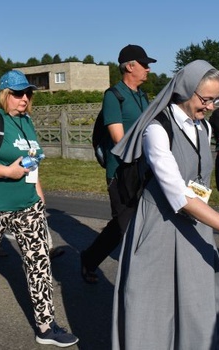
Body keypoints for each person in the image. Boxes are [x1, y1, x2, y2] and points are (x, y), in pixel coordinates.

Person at [111, 60, 219, 350]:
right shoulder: (156, 130)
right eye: (206, 99)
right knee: (154, 307)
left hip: (195, 225)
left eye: (215, 99)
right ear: (186, 91)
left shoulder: (203, 128)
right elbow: (177, 194)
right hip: (159, 227)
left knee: (201, 302)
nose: (211, 107)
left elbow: (198, 186)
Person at [0, 70, 79, 348]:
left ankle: (46, 327)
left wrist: (39, 196)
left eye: (27, 93)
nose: (24, 99)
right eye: (18, 93)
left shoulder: (26, 122)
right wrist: (6, 172)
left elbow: (32, 162)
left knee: (39, 263)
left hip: (28, 206)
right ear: (5, 95)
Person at [80, 44, 155, 284]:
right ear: (130, 66)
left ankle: (89, 259)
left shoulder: (142, 96)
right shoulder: (114, 96)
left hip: (143, 169)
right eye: (144, 64)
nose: (148, 69)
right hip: (121, 171)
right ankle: (138, 285)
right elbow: (118, 140)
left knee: (125, 223)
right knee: (127, 227)